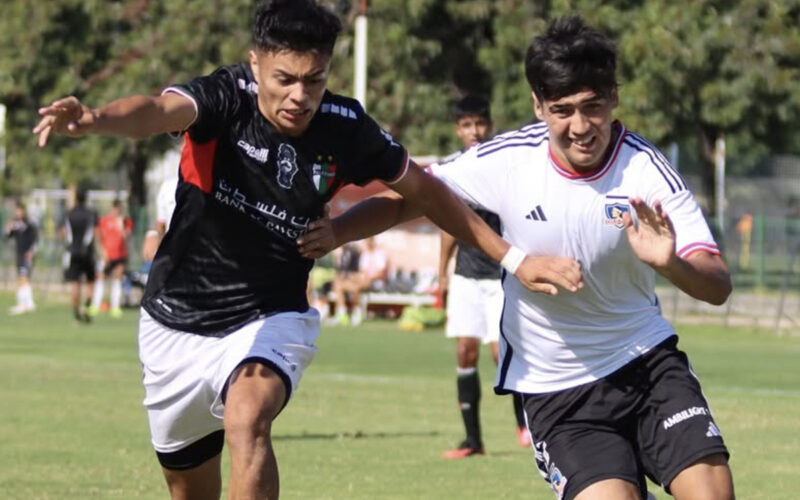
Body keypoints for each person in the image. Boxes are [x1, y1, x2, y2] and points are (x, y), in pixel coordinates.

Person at [33, 2, 580, 498]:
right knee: (189, 491)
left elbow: (424, 192)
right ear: (255, 65)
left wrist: (512, 258)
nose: (300, 95)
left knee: (248, 417)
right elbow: (157, 110)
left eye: (314, 80)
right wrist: (95, 120)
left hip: (270, 317)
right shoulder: (227, 96)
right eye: (285, 79)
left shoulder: (346, 127)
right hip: (174, 324)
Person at [307, 15, 735, 500]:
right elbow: (414, 196)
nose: (579, 127)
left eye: (593, 107)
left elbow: (717, 284)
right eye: (562, 110)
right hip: (558, 388)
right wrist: (338, 230)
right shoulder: (507, 160)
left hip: (647, 362)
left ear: (614, 97)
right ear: (538, 106)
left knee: (713, 494)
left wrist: (669, 264)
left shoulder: (646, 170)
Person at [435, 95, 530, 458]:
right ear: (457, 130)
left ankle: (526, 424)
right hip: (466, 277)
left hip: (500, 276)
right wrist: (441, 273)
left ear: (489, 125)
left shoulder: (501, 166)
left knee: (500, 353)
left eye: (480, 123)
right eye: (466, 125)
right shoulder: (450, 170)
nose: (474, 131)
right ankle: (472, 441)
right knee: (465, 350)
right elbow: (447, 225)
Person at [90, 199, 133, 318]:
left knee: (117, 278)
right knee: (101, 277)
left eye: (118, 209)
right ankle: (95, 305)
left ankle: (115, 306)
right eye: (114, 208)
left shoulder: (126, 222)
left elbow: (126, 237)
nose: (116, 211)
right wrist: (102, 251)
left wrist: (120, 225)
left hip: (120, 255)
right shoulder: (104, 221)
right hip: (106, 255)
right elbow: (98, 236)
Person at [61, 188, 99, 324]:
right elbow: (94, 232)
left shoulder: (69, 214)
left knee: (74, 283)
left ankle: (76, 315)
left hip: (73, 252)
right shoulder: (91, 214)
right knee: (91, 281)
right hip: (87, 252)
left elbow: (64, 233)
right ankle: (86, 307)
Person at [331, 236, 388, 325]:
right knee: (338, 286)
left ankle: (357, 313)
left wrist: (366, 278)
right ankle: (341, 314)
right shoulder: (365, 254)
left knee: (356, 287)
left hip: (376, 282)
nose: (367, 243)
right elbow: (362, 271)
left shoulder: (379, 254)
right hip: (363, 280)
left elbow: (380, 273)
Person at [5, 201, 38, 315]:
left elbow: (35, 240)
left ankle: (23, 304)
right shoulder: (15, 225)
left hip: (27, 255)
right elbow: (7, 236)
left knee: (24, 277)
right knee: (21, 278)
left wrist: (32, 251)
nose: (18, 213)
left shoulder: (30, 224)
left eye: (20, 211)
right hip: (19, 254)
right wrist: (8, 229)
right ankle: (28, 303)